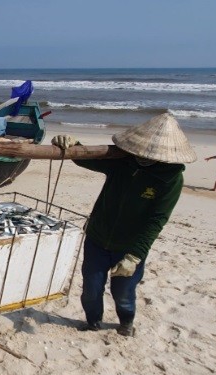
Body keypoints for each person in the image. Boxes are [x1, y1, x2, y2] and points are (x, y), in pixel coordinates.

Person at [51, 113, 196, 337]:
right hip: (98, 237)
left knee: (123, 293)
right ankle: (93, 323)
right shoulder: (121, 160)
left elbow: (157, 219)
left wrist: (135, 255)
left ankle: (126, 323)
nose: (142, 156)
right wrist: (72, 144)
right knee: (91, 289)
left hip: (129, 247)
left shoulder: (171, 178)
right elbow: (86, 158)